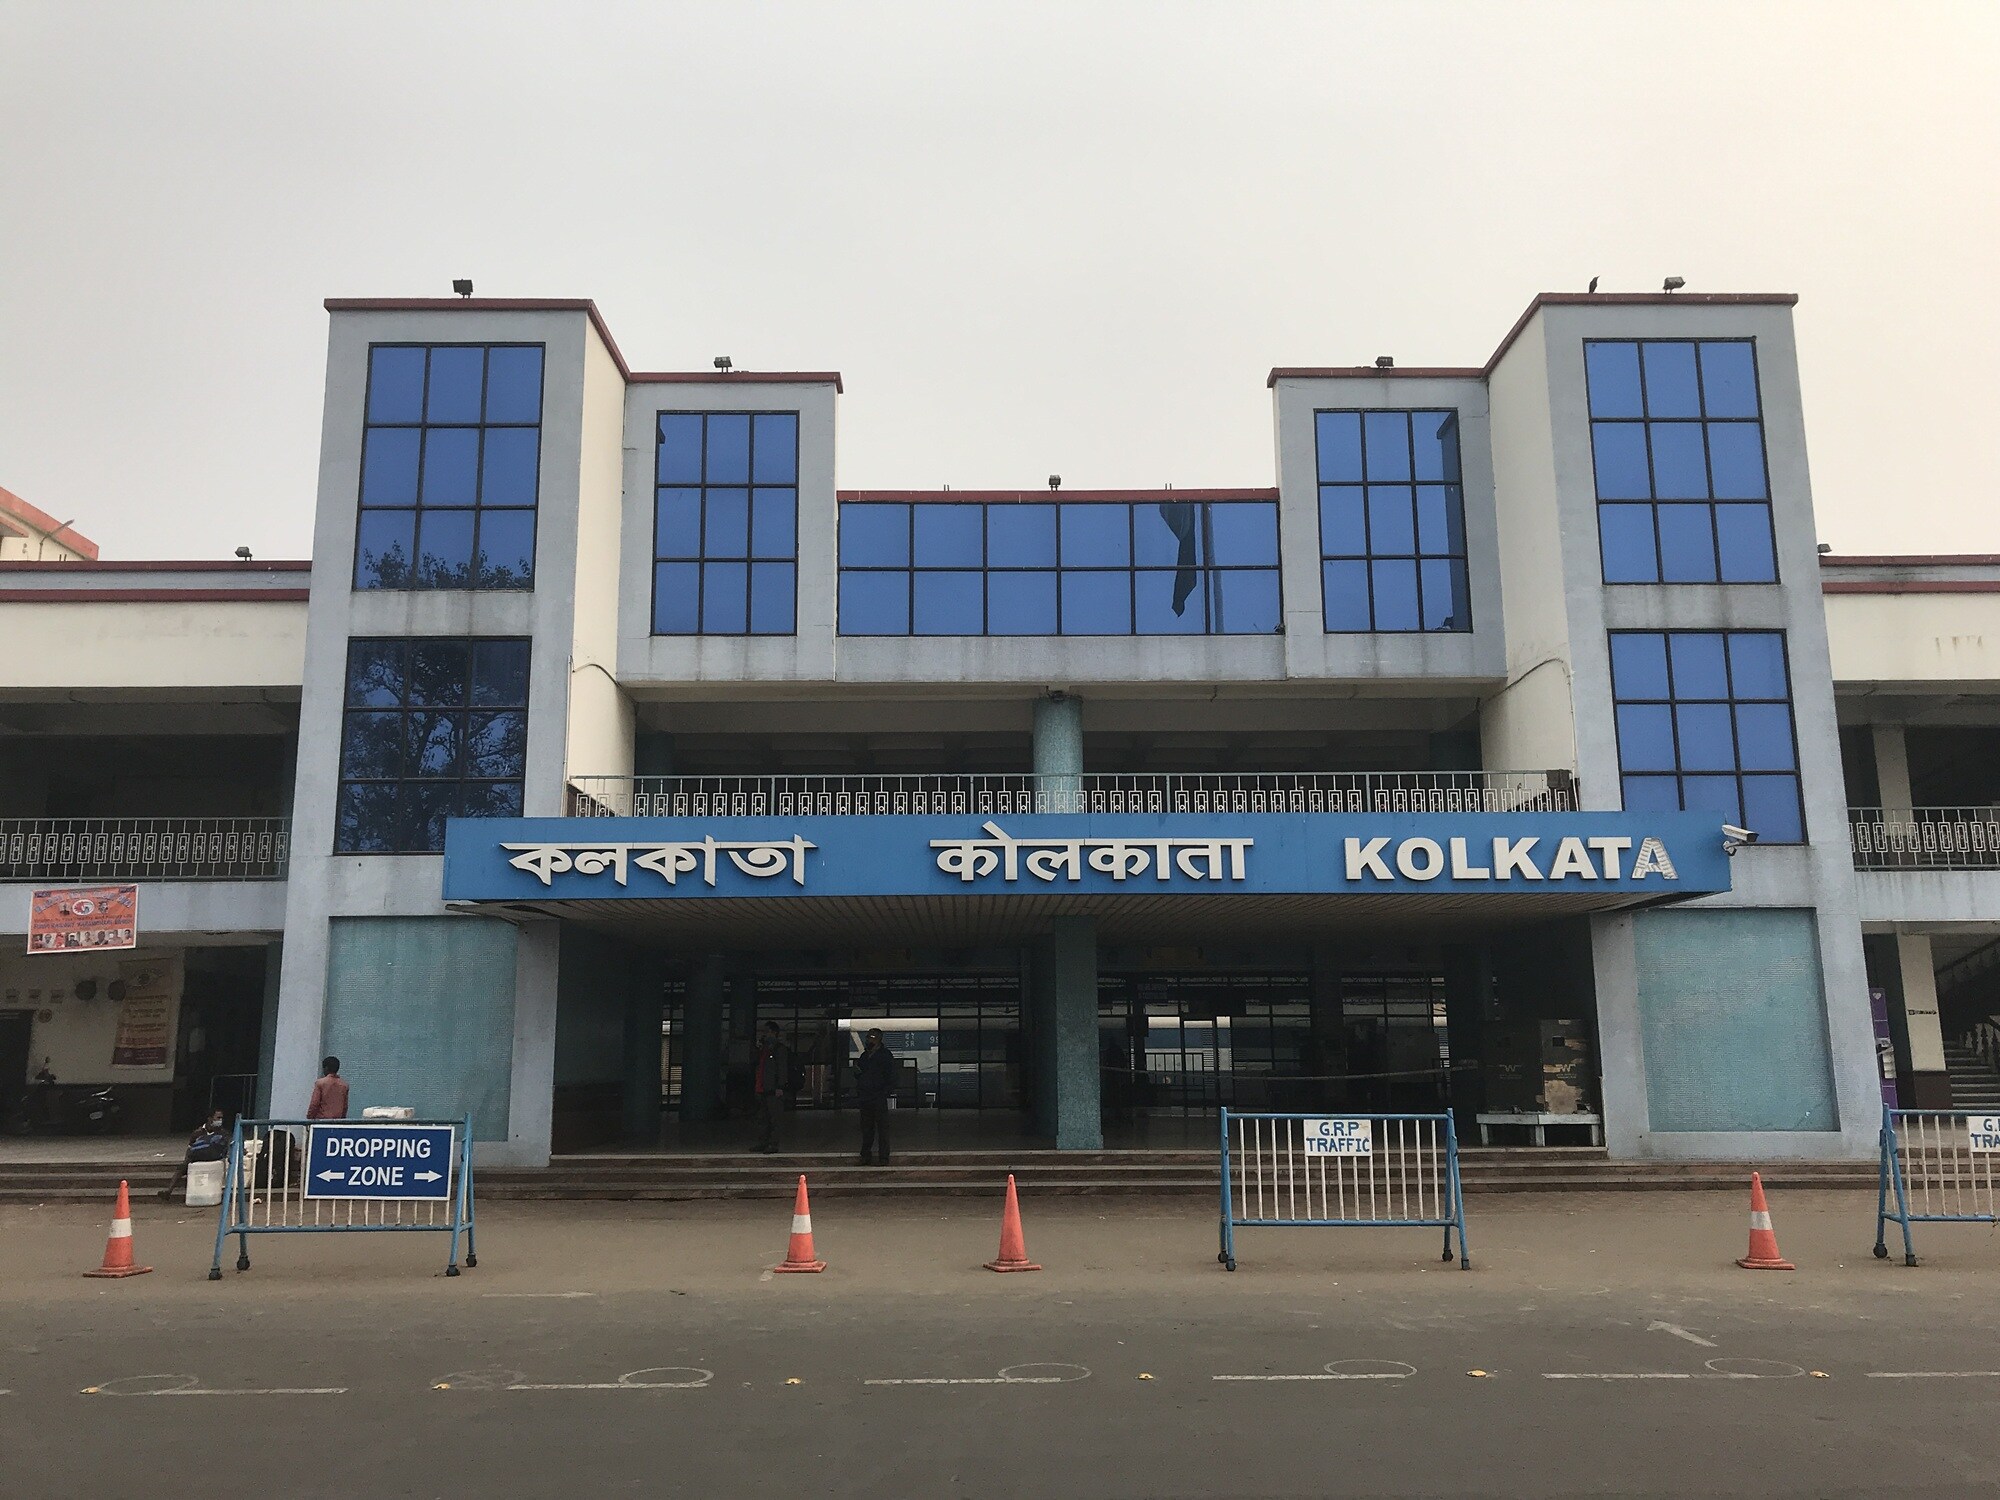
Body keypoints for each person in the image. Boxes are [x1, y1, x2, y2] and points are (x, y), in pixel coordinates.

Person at [160, 1109, 230, 1201]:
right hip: (197, 1158)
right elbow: (190, 1149)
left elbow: (226, 1148)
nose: (220, 1120)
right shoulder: (197, 1133)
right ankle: (168, 1191)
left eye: (221, 1118)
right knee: (182, 1167)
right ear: (210, 1119)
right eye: (218, 1118)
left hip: (214, 1157)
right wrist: (187, 1161)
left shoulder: (223, 1133)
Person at [853, 1027, 896, 1165]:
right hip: (865, 1096)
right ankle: (866, 1155)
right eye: (867, 1037)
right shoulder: (864, 1056)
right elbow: (859, 1074)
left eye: (871, 1038)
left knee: (882, 1129)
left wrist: (886, 1091)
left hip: (878, 1096)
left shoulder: (885, 1056)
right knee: (866, 1129)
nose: (868, 1040)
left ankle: (883, 1157)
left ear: (878, 1039)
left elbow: (891, 1075)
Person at [752, 1023, 790, 1154]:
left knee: (774, 1118)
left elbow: (782, 1069)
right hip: (761, 1088)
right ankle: (763, 1141)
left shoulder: (779, 1049)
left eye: (767, 1031)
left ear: (774, 1033)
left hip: (773, 1089)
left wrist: (780, 1086)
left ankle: (773, 1144)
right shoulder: (764, 1050)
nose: (764, 1034)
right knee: (762, 1118)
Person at [307, 1056, 349, 1121]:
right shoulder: (344, 1085)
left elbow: (314, 1104)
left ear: (326, 1068)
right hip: (337, 1122)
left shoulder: (320, 1083)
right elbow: (345, 1107)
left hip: (322, 1122)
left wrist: (309, 1118)